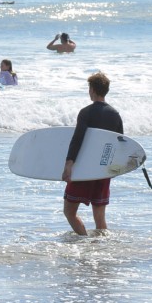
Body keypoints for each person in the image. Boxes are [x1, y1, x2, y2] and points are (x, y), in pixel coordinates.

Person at [62, 72, 123, 236]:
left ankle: (84, 242)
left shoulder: (86, 112)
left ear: (93, 89)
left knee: (69, 211)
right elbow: (121, 144)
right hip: (103, 170)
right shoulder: (115, 114)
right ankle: (101, 250)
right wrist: (115, 169)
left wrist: (69, 164)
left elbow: (78, 139)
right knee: (100, 217)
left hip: (85, 169)